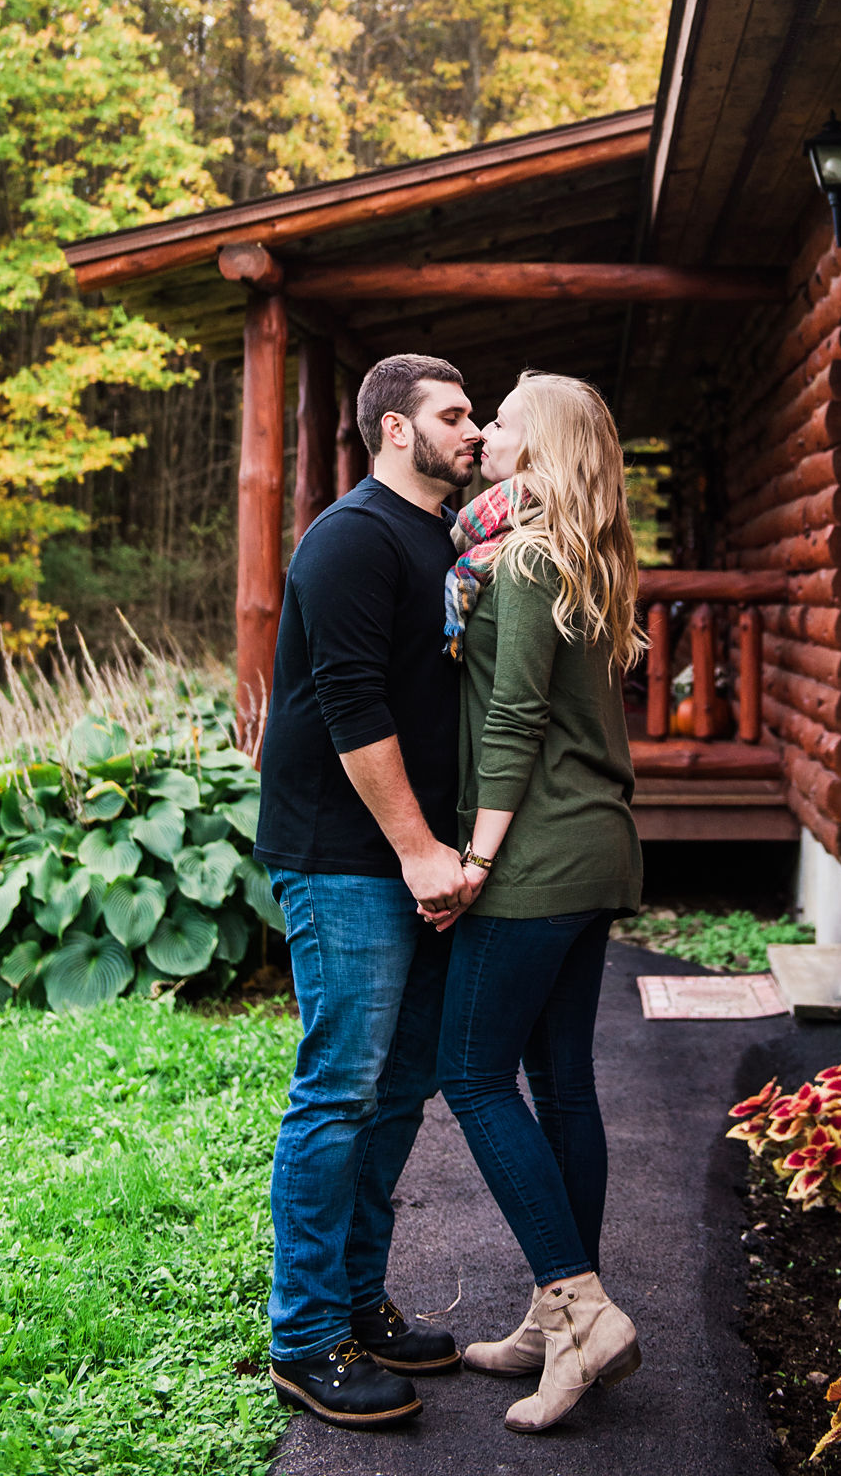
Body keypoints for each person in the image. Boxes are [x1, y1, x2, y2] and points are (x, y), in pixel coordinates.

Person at [255, 353, 481, 1431]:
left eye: (474, 413)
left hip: (413, 852)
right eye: (453, 413)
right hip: (348, 853)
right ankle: (304, 1337)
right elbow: (347, 701)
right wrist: (417, 850)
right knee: (340, 1087)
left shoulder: (442, 536)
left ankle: (355, 1301)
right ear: (395, 429)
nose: (473, 428)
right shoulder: (350, 536)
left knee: (398, 1090)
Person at [429, 370, 645, 1436]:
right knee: (559, 1084)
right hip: (596, 846)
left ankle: (582, 1304)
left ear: (540, 441)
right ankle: (555, 1317)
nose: (487, 431)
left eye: (503, 417)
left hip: (537, 858)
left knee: (469, 1072)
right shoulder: (586, 553)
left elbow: (512, 719)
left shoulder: (517, 557)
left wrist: (475, 856)